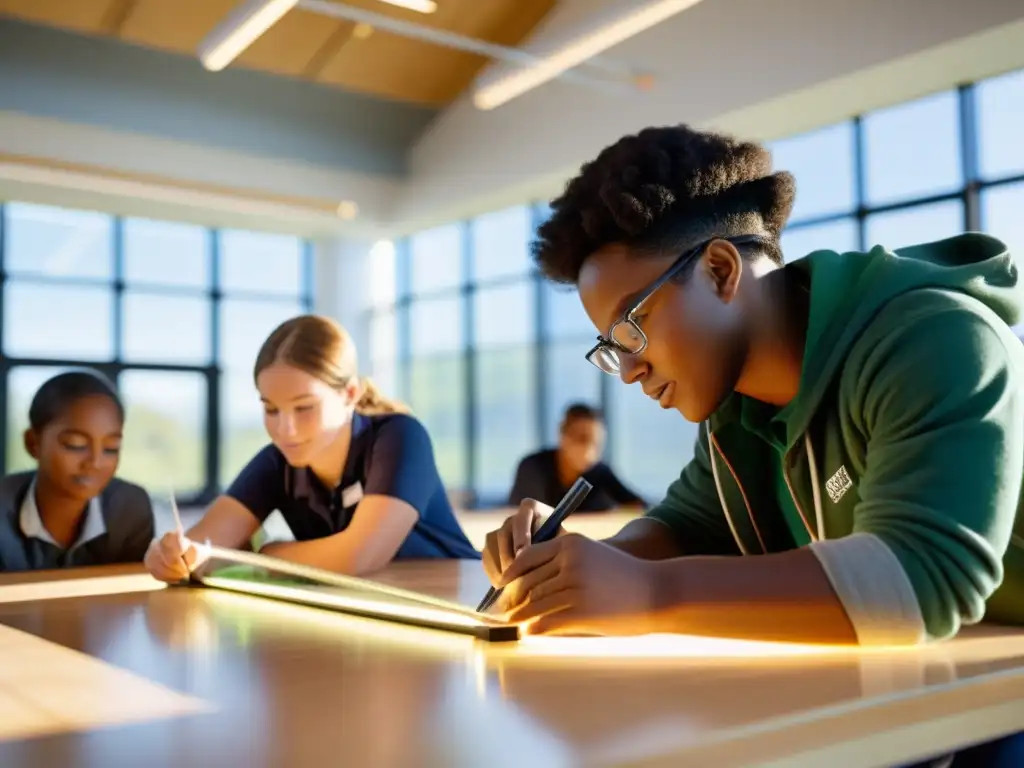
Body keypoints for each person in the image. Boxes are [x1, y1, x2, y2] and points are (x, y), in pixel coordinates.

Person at [481, 124, 1024, 648]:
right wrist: (573, 565)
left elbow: (920, 578)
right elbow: (691, 527)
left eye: (633, 327)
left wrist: (648, 592)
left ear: (719, 270)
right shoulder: (737, 409)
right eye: (613, 347)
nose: (628, 370)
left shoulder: (935, 338)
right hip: (947, 687)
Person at [145, 314, 478, 583]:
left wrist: (268, 555)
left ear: (349, 394)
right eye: (271, 409)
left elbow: (360, 555)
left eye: (304, 408)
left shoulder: (400, 437)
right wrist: (170, 557)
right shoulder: (278, 462)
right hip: (371, 614)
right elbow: (203, 544)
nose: (284, 429)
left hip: (464, 602)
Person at [0, 370, 154, 571]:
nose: (96, 462)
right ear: (33, 443)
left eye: (111, 448)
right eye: (75, 444)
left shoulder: (130, 508)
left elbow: (137, 596)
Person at [508, 403, 644, 511]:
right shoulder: (533, 467)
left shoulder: (600, 472)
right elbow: (528, 516)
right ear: (563, 436)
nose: (589, 451)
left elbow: (638, 505)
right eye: (582, 439)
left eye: (597, 444)